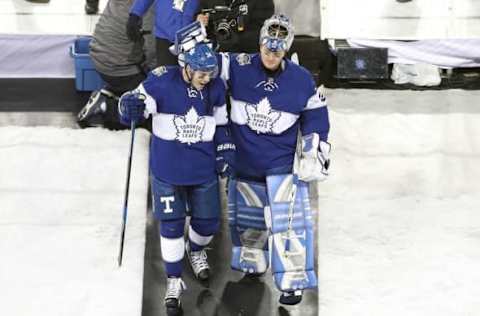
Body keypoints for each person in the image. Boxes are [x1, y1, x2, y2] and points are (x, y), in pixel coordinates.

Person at [217, 14, 331, 305]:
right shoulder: (238, 64)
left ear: (286, 49)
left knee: (290, 224)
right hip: (245, 165)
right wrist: (215, 46)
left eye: (277, 51)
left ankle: (293, 281)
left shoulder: (302, 79)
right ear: (260, 45)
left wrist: (313, 154)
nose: (271, 55)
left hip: (282, 168)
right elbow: (203, 65)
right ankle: (252, 260)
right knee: (248, 220)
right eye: (267, 50)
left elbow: (317, 119)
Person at [118, 42, 232, 316]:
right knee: (171, 225)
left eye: (210, 72)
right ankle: (173, 281)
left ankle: (195, 250)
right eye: (202, 73)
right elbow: (134, 110)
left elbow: (222, 125)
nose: (207, 78)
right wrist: (128, 107)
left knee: (207, 225)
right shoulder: (160, 82)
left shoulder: (216, 88)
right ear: (187, 67)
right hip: (167, 171)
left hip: (202, 171)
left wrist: (225, 152)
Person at [77, 0, 155, 129]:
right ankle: (107, 108)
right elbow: (152, 49)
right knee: (153, 108)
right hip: (118, 67)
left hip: (99, 53)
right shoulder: (150, 6)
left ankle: (112, 93)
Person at [127, 0, 201, 67]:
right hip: (164, 36)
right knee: (167, 74)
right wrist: (135, 14)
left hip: (190, 35)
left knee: (190, 75)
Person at [198, 0, 274, 53]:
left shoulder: (263, 2)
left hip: (246, 57)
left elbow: (262, 34)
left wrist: (235, 39)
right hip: (214, 54)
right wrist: (200, 19)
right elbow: (200, 14)